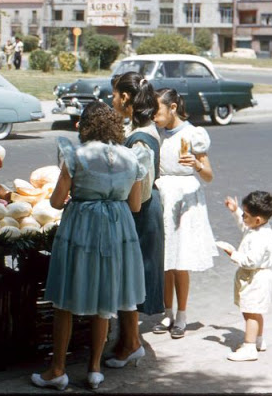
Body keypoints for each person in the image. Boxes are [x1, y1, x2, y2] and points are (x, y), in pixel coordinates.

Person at [31, 101, 149, 391]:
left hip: (82, 227)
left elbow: (56, 202)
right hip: (118, 227)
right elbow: (135, 205)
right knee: (105, 300)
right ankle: (94, 369)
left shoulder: (76, 155)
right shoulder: (132, 157)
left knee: (64, 299)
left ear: (85, 126)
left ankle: (57, 369)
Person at [107, 72, 164, 367]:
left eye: (115, 95)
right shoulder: (138, 129)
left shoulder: (141, 139)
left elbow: (138, 190)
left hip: (139, 213)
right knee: (126, 279)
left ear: (126, 98)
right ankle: (129, 340)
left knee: (128, 280)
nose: (112, 99)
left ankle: (131, 344)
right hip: (138, 209)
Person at [152, 88, 218, 339]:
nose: (155, 116)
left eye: (158, 111)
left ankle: (182, 315)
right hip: (164, 196)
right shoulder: (156, 134)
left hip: (185, 199)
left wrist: (198, 165)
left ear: (172, 108)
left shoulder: (193, 135)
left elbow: (210, 176)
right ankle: (166, 312)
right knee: (165, 260)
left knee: (180, 261)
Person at [218, 191, 272, 361]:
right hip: (256, 277)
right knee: (255, 311)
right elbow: (244, 226)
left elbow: (251, 261)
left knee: (250, 312)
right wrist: (235, 211)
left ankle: (249, 347)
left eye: (245, 215)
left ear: (257, 220)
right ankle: (258, 339)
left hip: (255, 278)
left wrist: (232, 253)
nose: (243, 217)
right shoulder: (259, 228)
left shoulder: (260, 237)